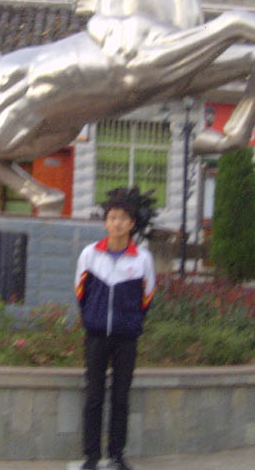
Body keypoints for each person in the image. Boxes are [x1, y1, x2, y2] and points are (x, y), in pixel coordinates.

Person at [74, 188, 156, 470]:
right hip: (96, 336)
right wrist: (93, 318)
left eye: (122, 218)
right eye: (112, 217)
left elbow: (147, 297)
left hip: (126, 338)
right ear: (105, 222)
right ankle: (91, 457)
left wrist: (131, 322)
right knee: (94, 397)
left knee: (121, 398)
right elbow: (80, 292)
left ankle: (117, 455)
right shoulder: (90, 254)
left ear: (131, 224)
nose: (117, 223)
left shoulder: (142, 259)